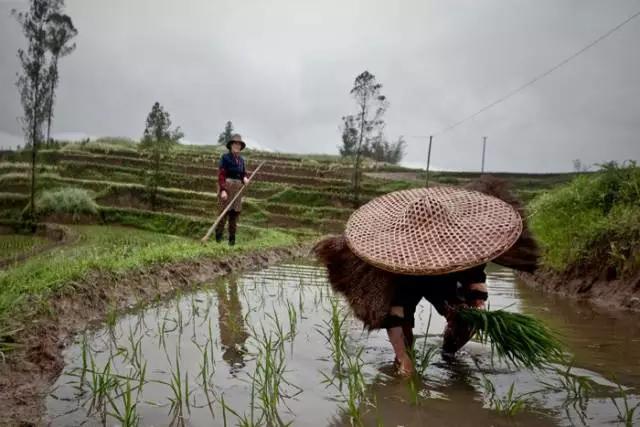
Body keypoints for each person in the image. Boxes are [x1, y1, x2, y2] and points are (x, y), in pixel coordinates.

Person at [314, 180, 538, 376]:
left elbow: (475, 274)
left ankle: (449, 355)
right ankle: (403, 360)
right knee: (404, 345)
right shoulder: (391, 260)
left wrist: (476, 307)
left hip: (446, 280)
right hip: (406, 278)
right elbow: (395, 315)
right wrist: (404, 361)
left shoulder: (464, 245)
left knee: (466, 323)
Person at [215, 134, 249, 246]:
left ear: (240, 147)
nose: (237, 146)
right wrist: (223, 190)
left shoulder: (242, 161)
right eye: (235, 143)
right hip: (227, 187)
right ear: (231, 145)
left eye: (239, 144)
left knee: (234, 215)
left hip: (238, 189)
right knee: (223, 215)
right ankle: (218, 240)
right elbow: (221, 175)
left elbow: (243, 174)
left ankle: (232, 242)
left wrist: (245, 178)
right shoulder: (225, 158)